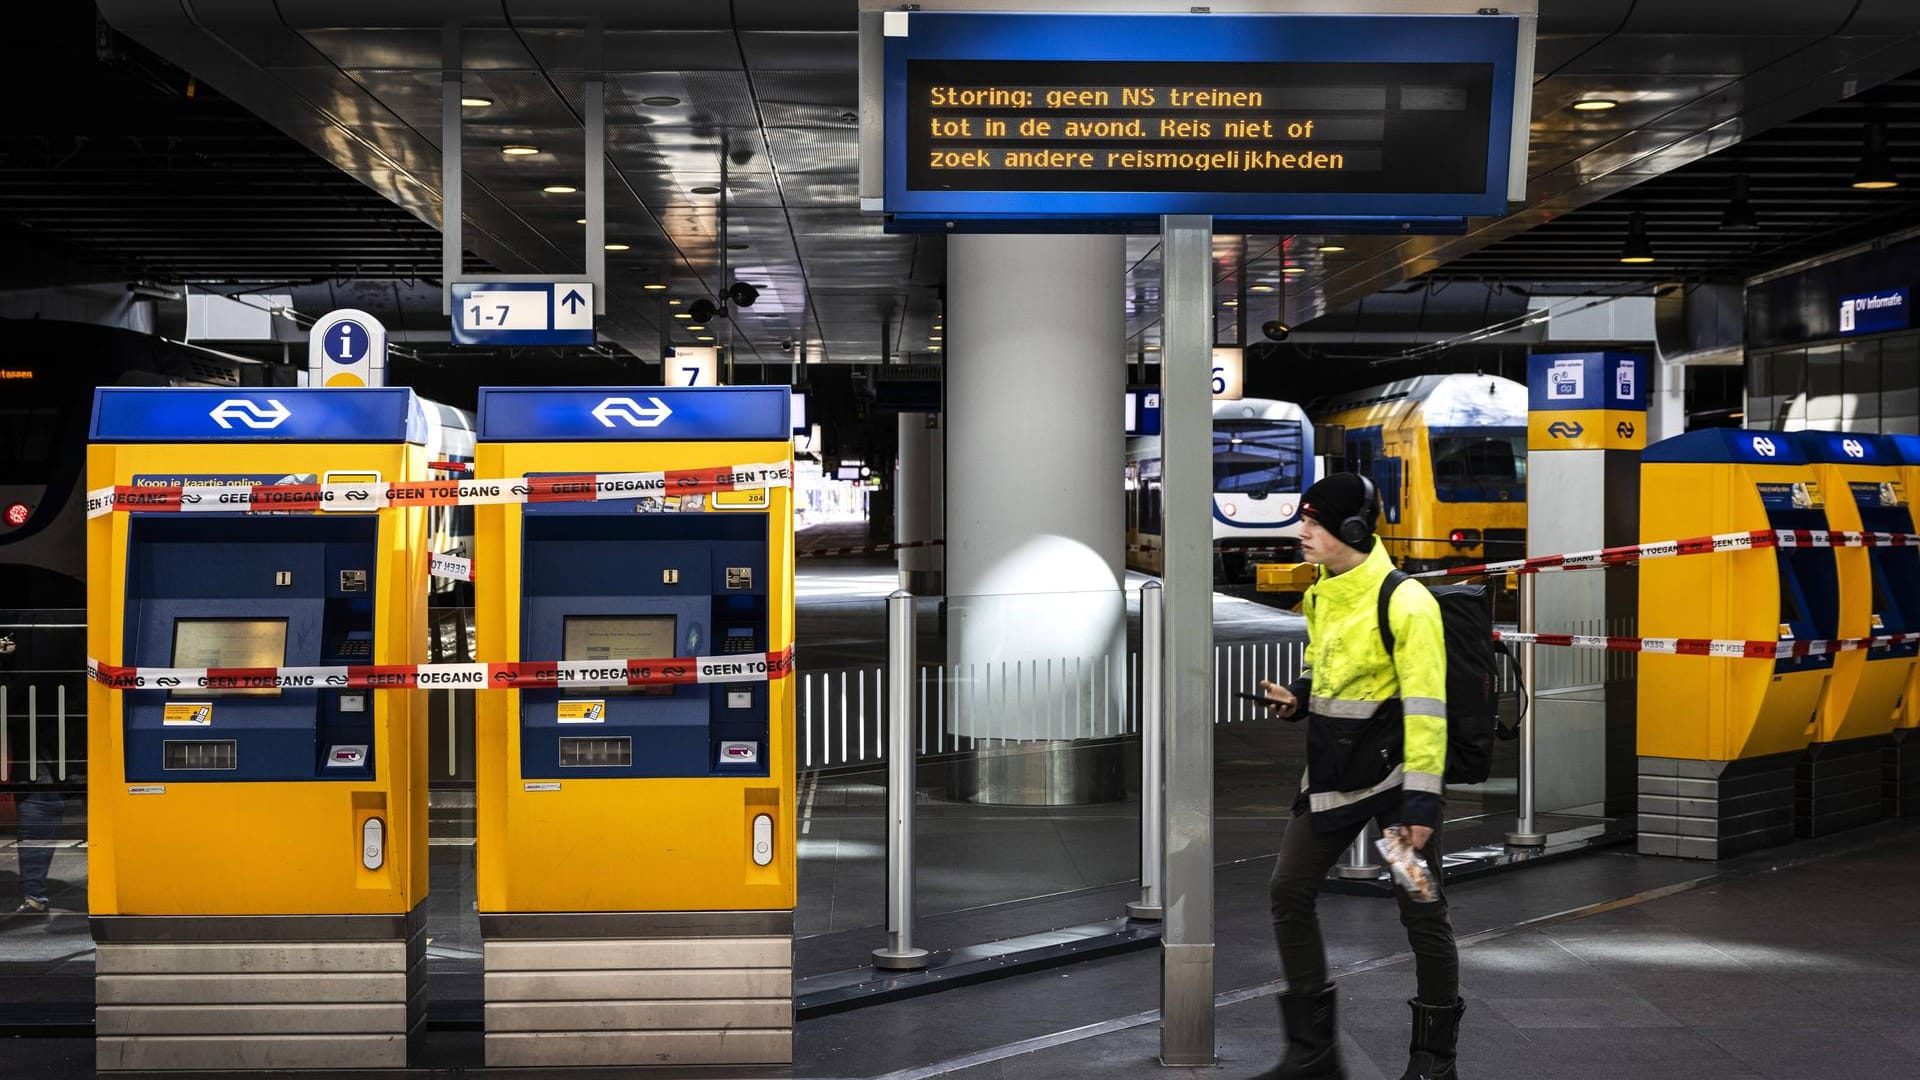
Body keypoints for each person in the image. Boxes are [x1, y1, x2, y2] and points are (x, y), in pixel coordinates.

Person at [1252, 472, 1463, 1080]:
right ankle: (1313, 1054)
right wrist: (1297, 694)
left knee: (1421, 909)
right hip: (1334, 780)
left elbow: (1428, 708)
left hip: (1399, 796)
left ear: (1352, 529)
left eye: (1314, 523)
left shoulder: (1405, 601)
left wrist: (1422, 806)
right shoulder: (1323, 591)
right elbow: (1324, 664)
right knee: (1289, 892)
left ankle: (1433, 1063)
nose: (1303, 532)